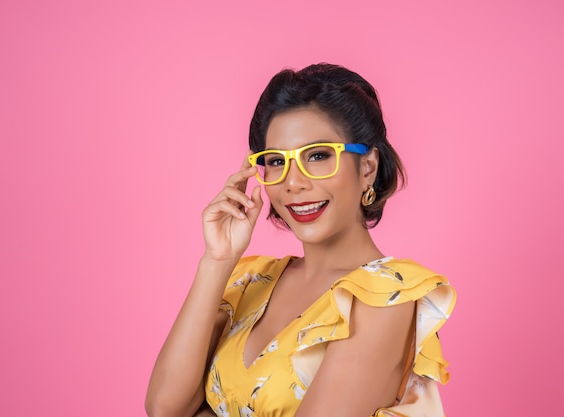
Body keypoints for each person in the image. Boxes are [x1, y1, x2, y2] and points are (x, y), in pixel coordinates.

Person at [145, 63, 456, 417]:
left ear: (367, 167)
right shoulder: (253, 280)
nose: (293, 182)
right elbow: (164, 407)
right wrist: (217, 261)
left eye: (318, 156)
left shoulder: (385, 296)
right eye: (277, 161)